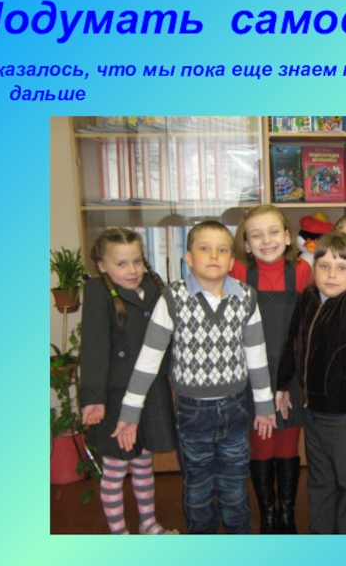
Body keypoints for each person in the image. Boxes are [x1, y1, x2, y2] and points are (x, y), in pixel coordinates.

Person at [113, 221, 277, 535]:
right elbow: (149, 359)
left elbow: (256, 356)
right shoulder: (172, 298)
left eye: (222, 249)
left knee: (235, 485)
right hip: (193, 412)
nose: (214, 255)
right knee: (198, 488)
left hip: (236, 409)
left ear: (232, 261)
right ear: (188, 257)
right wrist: (130, 412)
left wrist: (264, 405)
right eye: (204, 248)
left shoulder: (246, 297)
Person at [275, 232, 346, 534]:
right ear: (314, 268)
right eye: (324, 266)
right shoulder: (308, 297)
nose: (331, 275)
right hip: (312, 410)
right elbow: (293, 344)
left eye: (341, 267)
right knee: (320, 480)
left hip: (344, 415)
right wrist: (282, 385)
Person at [79, 227, 179, 535]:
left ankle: (148, 523)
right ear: (102, 265)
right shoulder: (97, 291)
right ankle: (119, 533)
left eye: (136, 261)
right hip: (116, 393)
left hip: (150, 389)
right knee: (115, 466)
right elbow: (94, 347)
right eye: (121, 263)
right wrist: (94, 398)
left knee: (143, 461)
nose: (132, 270)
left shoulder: (154, 287)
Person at [229, 205, 313, 534]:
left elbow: (306, 328)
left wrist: (289, 381)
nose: (267, 241)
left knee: (288, 445)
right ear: (246, 244)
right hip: (253, 375)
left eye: (274, 232)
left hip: (291, 373)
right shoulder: (238, 271)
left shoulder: (302, 271)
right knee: (262, 443)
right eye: (257, 235)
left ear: (288, 237)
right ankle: (268, 515)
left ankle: (286, 514)